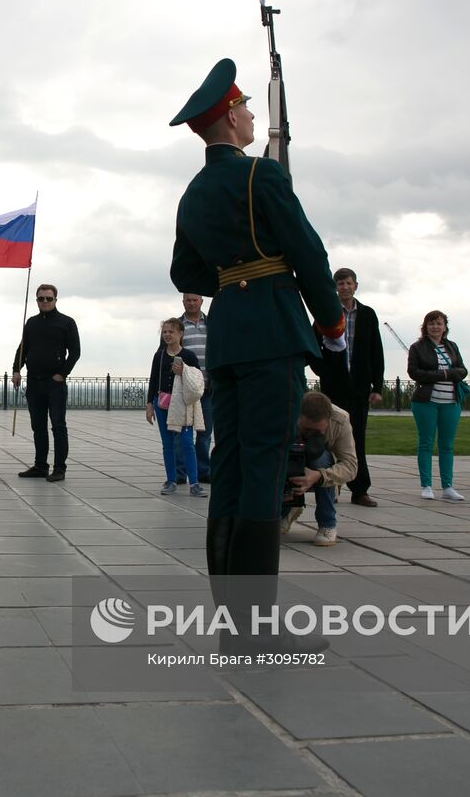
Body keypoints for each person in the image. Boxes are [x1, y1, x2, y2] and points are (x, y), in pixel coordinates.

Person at [168, 58, 345, 653]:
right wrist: (330, 316)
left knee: (234, 467)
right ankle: (253, 627)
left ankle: (232, 616)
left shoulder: (193, 193)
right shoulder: (260, 177)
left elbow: (183, 271)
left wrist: (229, 272)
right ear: (228, 117)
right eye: (243, 109)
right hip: (271, 329)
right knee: (267, 470)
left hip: (229, 335)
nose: (249, 116)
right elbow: (307, 249)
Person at [311, 268, 385, 506]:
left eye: (348, 283)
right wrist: (323, 371)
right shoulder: (326, 314)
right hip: (334, 387)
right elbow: (313, 347)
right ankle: (330, 485)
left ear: (356, 286)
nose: (345, 287)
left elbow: (376, 350)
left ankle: (360, 488)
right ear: (335, 287)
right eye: (340, 283)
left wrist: (378, 386)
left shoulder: (368, 315)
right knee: (329, 437)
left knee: (357, 438)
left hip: (360, 387)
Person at [11, 283, 81, 482]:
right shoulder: (31, 323)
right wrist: (17, 369)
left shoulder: (67, 322)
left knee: (58, 425)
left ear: (55, 300)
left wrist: (62, 374)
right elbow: (22, 348)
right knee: (38, 426)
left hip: (54, 384)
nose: (45, 302)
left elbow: (75, 352)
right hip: (34, 383)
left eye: (48, 298)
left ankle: (60, 468)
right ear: (36, 300)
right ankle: (40, 466)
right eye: (41, 298)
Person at [281, 391, 358, 546]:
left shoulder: (340, 421)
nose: (309, 435)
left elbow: (351, 466)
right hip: (287, 460)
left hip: (320, 467)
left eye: (316, 432)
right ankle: (287, 510)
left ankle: (327, 524)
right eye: (305, 429)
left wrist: (320, 475)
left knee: (321, 458)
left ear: (328, 421)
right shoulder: (284, 413)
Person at [407, 310, 468, 501]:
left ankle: (448, 486)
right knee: (426, 442)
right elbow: (415, 372)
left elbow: (462, 370)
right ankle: (426, 485)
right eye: (431, 323)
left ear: (445, 327)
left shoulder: (452, 346)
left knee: (447, 445)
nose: (435, 327)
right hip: (426, 402)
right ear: (425, 327)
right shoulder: (417, 347)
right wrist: (442, 375)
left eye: (439, 323)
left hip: (450, 402)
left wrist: (445, 374)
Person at [145, 318, 205, 497]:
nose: (167, 335)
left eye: (171, 331)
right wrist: (150, 405)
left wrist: (183, 371)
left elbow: (197, 380)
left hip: (182, 405)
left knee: (187, 443)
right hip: (162, 403)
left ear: (180, 333)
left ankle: (194, 483)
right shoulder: (160, 355)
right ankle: (171, 480)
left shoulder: (189, 356)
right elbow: (154, 379)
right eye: (165, 332)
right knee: (168, 444)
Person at [175, 293, 213, 483]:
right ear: (183, 302)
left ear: (201, 301)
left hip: (208, 387)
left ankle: (203, 471)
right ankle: (181, 473)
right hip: (185, 389)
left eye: (194, 300)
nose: (191, 303)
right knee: (183, 432)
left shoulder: (211, 324)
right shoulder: (177, 326)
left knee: (204, 433)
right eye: (188, 300)